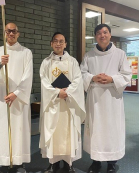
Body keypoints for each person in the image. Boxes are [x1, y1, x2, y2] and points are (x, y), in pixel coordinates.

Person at [80, 24, 132, 173]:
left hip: (112, 99)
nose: (102, 35)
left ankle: (111, 163)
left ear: (110, 35)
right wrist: (92, 77)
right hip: (95, 98)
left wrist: (111, 79)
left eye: (105, 32)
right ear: (96, 36)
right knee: (96, 129)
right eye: (98, 33)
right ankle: (95, 162)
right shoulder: (89, 55)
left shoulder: (120, 54)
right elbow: (82, 73)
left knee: (111, 129)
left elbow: (126, 75)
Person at [0, 23, 33, 173]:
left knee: (19, 129)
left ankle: (19, 162)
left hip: (19, 99)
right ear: (5, 33)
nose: (11, 33)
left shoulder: (26, 52)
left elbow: (28, 76)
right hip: (2, 98)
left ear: (18, 33)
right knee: (3, 130)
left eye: (14, 31)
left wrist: (16, 93)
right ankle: (5, 161)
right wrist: (0, 64)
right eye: (8, 31)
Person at [39, 32, 86, 173]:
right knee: (53, 131)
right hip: (53, 103)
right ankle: (53, 163)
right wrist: (57, 92)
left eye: (61, 41)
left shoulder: (72, 62)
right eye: (55, 41)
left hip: (68, 104)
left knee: (68, 132)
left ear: (65, 44)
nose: (58, 44)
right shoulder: (46, 62)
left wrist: (68, 91)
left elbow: (78, 79)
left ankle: (68, 163)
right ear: (51, 43)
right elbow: (44, 81)